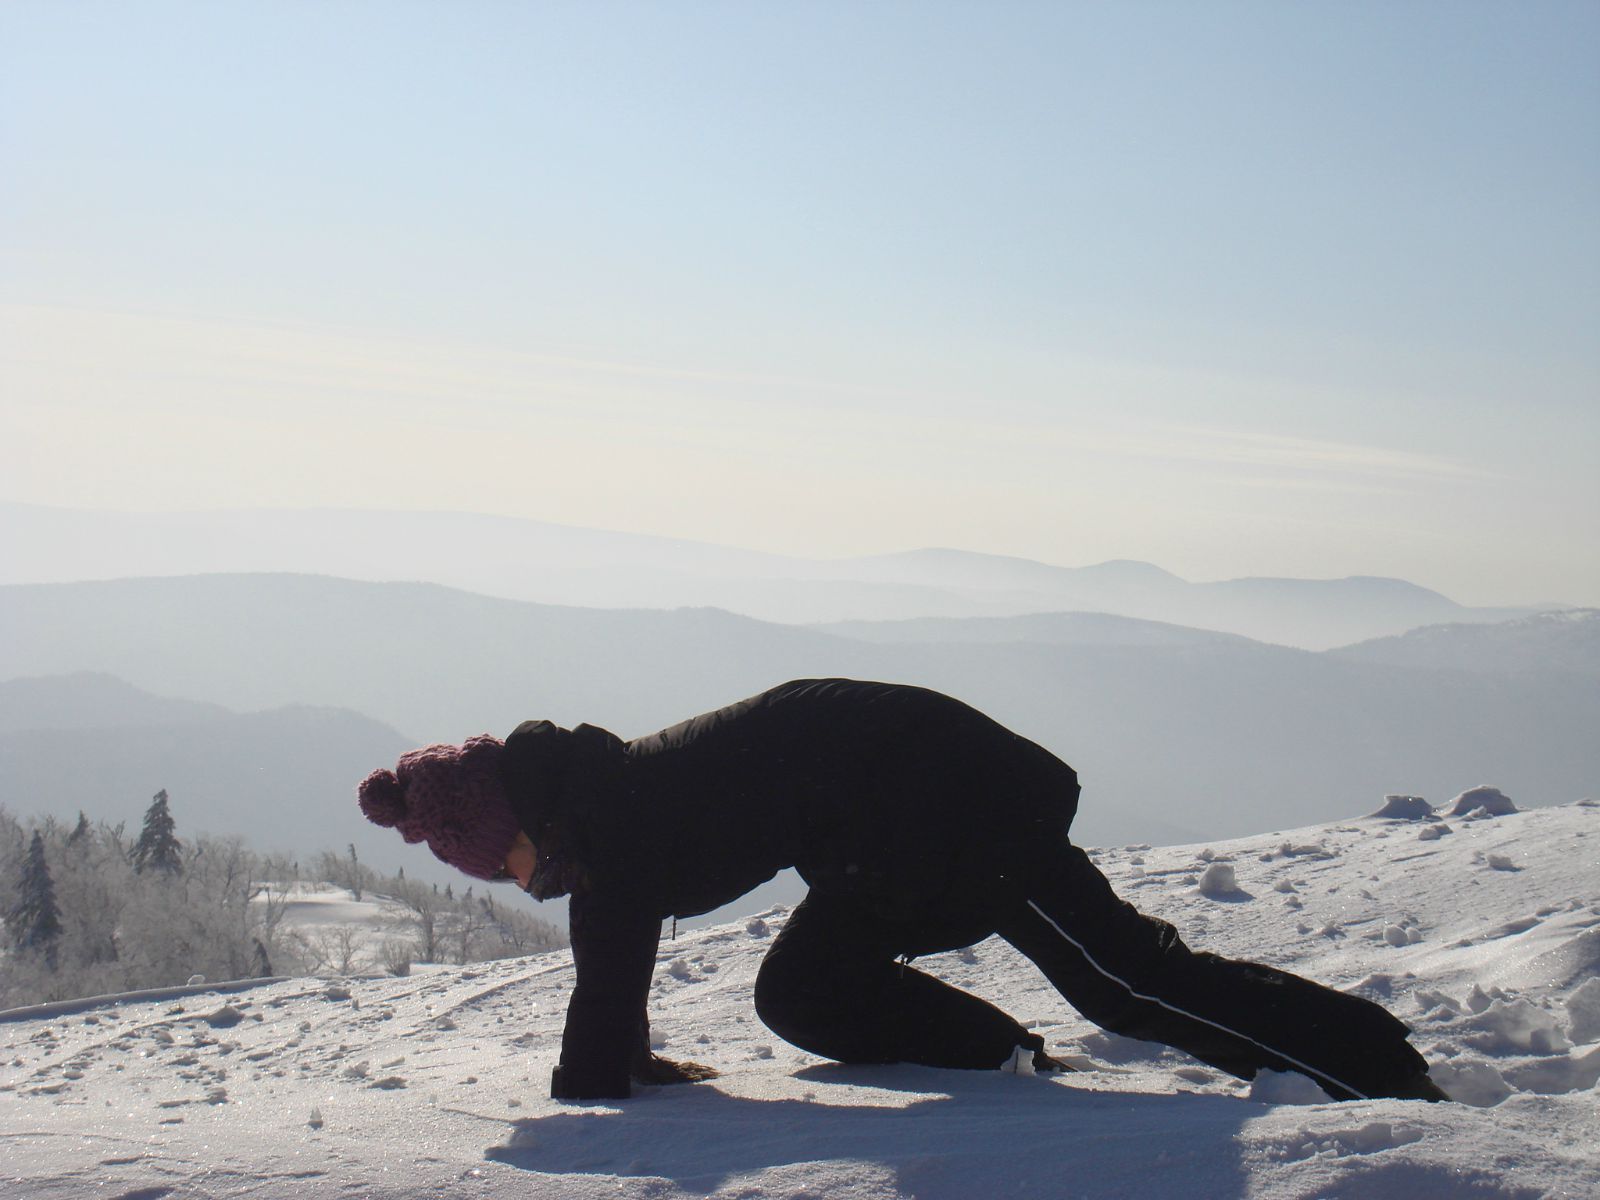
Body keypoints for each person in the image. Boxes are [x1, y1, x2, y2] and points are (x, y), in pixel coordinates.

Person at [357, 678, 1447, 1103]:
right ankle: (1000, 1061)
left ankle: (1377, 1074)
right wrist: (626, 1057)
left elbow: (604, 986)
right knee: (803, 992)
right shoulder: (601, 800)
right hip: (879, 833)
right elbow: (614, 972)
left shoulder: (609, 826)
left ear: (520, 826)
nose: (519, 884)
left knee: (1122, 982)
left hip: (947, 805)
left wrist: (598, 1082)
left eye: (497, 862)